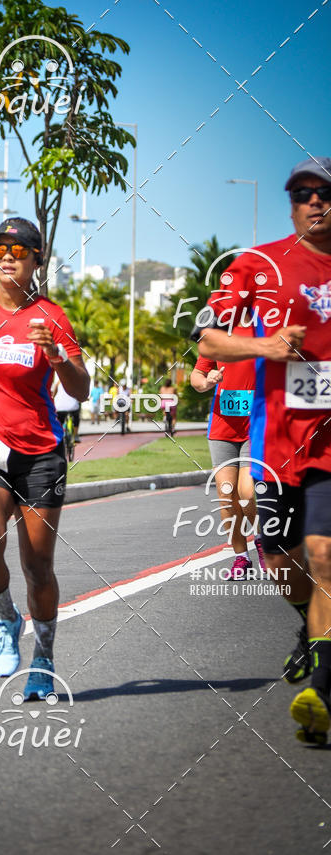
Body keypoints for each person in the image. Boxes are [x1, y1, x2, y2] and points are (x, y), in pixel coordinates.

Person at [195, 156, 331, 744]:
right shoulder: (260, 264)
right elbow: (207, 337)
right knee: (281, 564)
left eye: (325, 193)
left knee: (324, 555)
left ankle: (322, 689)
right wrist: (266, 346)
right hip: (276, 442)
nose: (315, 202)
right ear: (291, 203)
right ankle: (309, 627)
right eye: (302, 193)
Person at [0, 217, 89, 701]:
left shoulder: (52, 316)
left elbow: (81, 386)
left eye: (19, 249)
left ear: (36, 259)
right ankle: (7, 618)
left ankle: (44, 659)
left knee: (38, 565)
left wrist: (57, 358)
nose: (7, 256)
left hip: (40, 453)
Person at [190, 354, 265, 578]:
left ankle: (262, 541)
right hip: (222, 430)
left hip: (255, 427)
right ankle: (241, 557)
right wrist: (207, 381)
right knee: (226, 493)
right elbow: (197, 375)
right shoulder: (216, 338)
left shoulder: (262, 333)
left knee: (247, 492)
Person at [53, 378, 81, 442]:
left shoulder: (59, 382)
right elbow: (80, 394)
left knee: (59, 421)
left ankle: (59, 435)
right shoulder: (76, 382)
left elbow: (54, 394)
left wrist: (53, 397)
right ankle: (76, 435)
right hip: (73, 407)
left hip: (60, 407)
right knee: (76, 417)